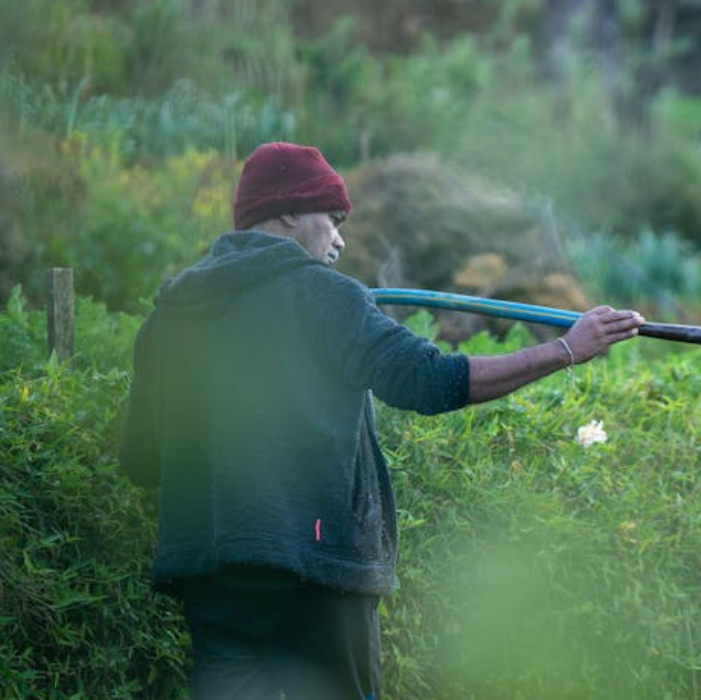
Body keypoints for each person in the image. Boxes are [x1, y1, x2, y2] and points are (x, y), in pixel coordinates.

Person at [119, 142, 643, 700]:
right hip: (315, 571)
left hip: (212, 576)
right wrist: (565, 348)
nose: (340, 239)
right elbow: (431, 381)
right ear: (291, 214)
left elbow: (142, 460)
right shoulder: (327, 297)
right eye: (333, 219)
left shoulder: (169, 317)